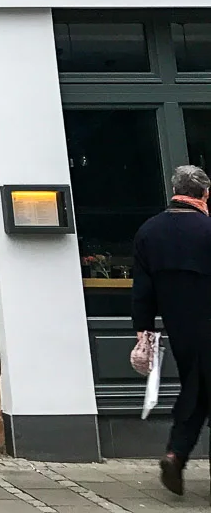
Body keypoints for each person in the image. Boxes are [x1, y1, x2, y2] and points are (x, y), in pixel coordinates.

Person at [133, 164, 211, 495]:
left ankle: (175, 454)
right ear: (205, 194)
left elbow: (142, 291)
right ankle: (175, 454)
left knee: (196, 389)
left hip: (181, 330)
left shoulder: (149, 232)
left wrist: (143, 332)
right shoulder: (207, 230)